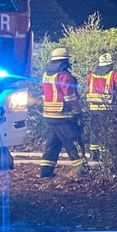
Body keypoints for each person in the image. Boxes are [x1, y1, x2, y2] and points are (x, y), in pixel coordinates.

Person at [39, 46, 85, 178]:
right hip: (64, 115)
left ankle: (46, 171)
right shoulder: (65, 76)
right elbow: (71, 97)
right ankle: (82, 169)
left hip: (49, 115)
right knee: (74, 141)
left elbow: (43, 94)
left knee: (52, 143)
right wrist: (77, 112)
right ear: (65, 61)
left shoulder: (46, 75)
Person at [84, 52, 117, 160]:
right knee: (106, 131)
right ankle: (105, 154)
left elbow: (87, 85)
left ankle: (94, 154)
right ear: (110, 64)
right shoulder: (114, 74)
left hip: (93, 107)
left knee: (94, 130)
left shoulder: (91, 75)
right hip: (108, 108)